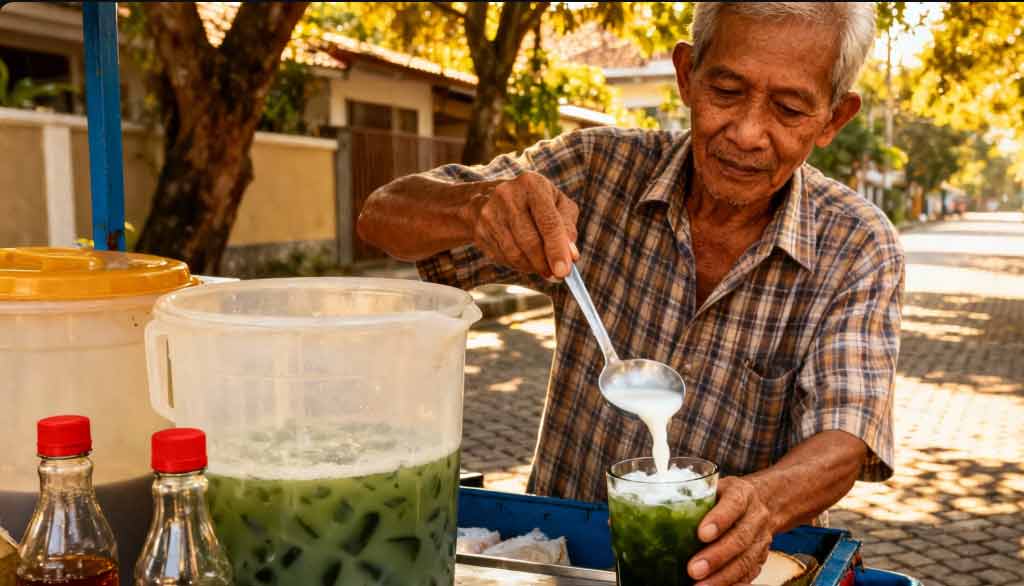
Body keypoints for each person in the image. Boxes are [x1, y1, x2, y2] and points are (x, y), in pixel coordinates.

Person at [358, 3, 904, 584]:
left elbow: (847, 434)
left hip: (735, 569)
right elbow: (380, 218)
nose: (746, 132)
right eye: (725, 90)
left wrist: (761, 505)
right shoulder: (597, 170)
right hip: (563, 558)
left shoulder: (857, 243)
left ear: (833, 118)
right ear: (687, 75)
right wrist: (475, 207)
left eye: (789, 108)